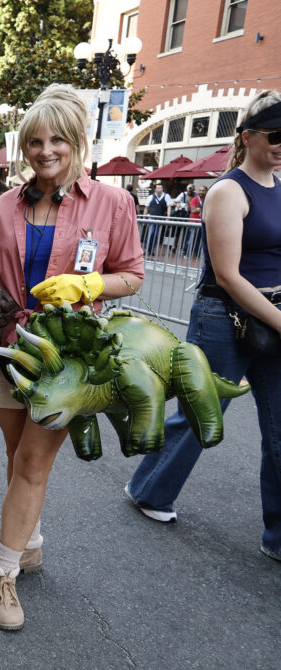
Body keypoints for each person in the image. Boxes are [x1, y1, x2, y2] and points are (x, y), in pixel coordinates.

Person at [0, 84, 144, 630]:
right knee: (14, 452)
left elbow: (133, 276)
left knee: (32, 462)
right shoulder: (4, 204)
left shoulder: (112, 203)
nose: (45, 152)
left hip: (67, 358)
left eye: (57, 141)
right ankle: (29, 542)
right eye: (35, 141)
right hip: (8, 347)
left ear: (76, 144)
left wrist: (89, 281)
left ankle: (5, 571)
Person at [125, 90, 281, 563]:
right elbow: (229, 274)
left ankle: (277, 537)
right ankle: (149, 489)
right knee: (200, 414)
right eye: (275, 135)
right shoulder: (228, 191)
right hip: (225, 319)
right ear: (249, 136)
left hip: (273, 313)